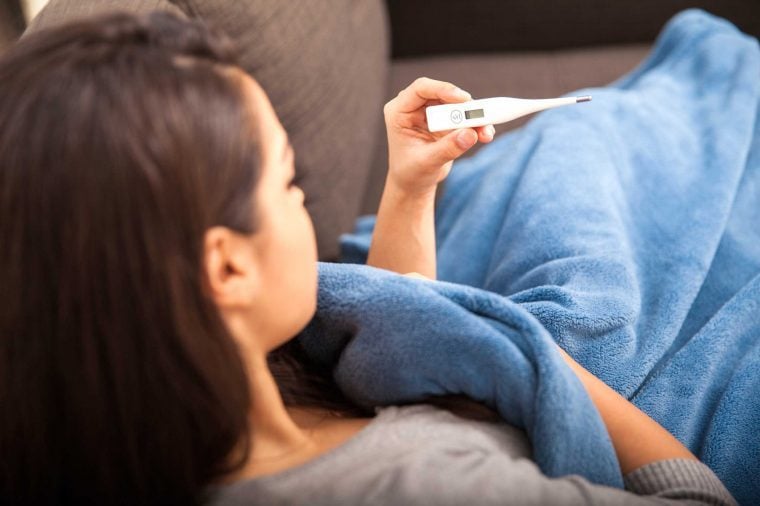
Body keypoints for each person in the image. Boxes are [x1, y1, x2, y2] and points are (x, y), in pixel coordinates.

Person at [0, 11, 736, 506]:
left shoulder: (216, 396)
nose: (303, 202)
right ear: (225, 269)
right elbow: (695, 495)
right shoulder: (426, 485)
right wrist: (528, 343)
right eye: (288, 183)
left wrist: (409, 188)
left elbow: (400, 321)